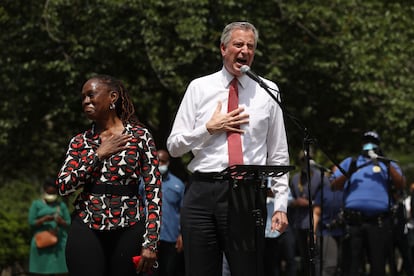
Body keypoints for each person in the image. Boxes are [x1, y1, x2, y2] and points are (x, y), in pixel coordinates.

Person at [167, 21, 290, 276]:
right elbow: (174, 147)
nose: (245, 51)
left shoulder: (268, 90)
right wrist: (209, 129)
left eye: (251, 46)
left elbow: (278, 153)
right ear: (223, 48)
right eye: (238, 44)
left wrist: (280, 204)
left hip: (246, 193)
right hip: (201, 192)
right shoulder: (199, 88)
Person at [56, 75, 161, 276]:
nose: (86, 101)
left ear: (112, 97)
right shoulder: (80, 141)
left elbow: (153, 191)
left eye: (91, 95)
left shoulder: (140, 137)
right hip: (86, 226)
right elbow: (64, 186)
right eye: (83, 97)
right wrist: (98, 155)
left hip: (129, 227)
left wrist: (151, 242)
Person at [330, 130, 406, 276]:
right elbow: (333, 185)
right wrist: (349, 173)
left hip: (378, 223)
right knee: (351, 267)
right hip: (353, 223)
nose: (369, 145)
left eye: (372, 142)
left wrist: (386, 163)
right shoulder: (350, 162)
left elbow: (401, 184)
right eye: (366, 141)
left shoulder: (386, 164)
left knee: (378, 267)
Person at [288, 152, 328, 276]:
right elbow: (288, 199)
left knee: (316, 257)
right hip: (299, 222)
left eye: (308, 159)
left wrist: (311, 202)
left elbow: (326, 198)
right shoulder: (295, 178)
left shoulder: (321, 177)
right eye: (303, 160)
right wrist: (295, 202)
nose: (306, 162)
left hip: (315, 221)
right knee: (304, 257)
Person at [152, 149, 186, 276]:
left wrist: (182, 234)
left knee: (169, 271)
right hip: (149, 238)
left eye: (163, 161)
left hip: (170, 237)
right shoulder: (144, 181)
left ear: (168, 163)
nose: (160, 163)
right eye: (158, 161)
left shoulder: (178, 184)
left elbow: (183, 211)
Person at [28, 177, 71, 276]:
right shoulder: (36, 204)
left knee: (59, 271)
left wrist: (60, 221)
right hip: (41, 242)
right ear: (44, 190)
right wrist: (44, 219)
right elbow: (31, 222)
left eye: (53, 193)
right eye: (49, 193)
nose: (51, 196)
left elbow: (68, 223)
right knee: (40, 271)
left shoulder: (61, 205)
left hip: (58, 244)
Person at [313, 165, 344, 276]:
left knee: (343, 265)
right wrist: (313, 233)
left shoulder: (348, 189)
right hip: (327, 231)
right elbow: (316, 212)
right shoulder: (325, 191)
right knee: (330, 265)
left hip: (344, 232)